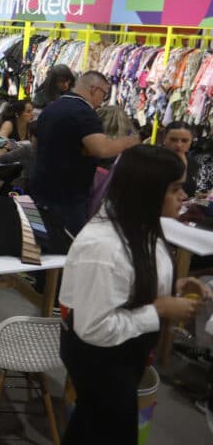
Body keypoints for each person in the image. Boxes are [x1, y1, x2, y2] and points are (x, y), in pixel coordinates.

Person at [59, 145, 210, 443]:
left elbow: (127, 281)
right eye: (176, 189)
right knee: (110, 430)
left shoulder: (139, 226)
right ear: (148, 190)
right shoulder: (104, 247)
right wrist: (160, 310)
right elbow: (95, 328)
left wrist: (172, 288)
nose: (184, 197)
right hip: (101, 358)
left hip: (122, 352)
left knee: (90, 426)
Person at [31, 71, 139, 234]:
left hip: (40, 188)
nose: (103, 100)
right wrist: (128, 141)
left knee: (41, 239)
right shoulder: (84, 113)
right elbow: (102, 149)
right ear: (94, 89)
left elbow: (37, 143)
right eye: (104, 94)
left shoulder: (52, 108)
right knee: (67, 244)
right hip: (68, 196)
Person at [0, 121, 38, 191]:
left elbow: (1, 158)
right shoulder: (53, 149)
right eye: (28, 111)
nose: (32, 114)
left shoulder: (27, 149)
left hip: (26, 188)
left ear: (30, 135)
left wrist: (6, 148)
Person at [162, 121, 200, 197]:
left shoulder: (192, 163)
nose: (179, 145)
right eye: (173, 140)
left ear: (191, 141)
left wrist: (196, 197)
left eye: (184, 141)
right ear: (164, 138)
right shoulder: (152, 160)